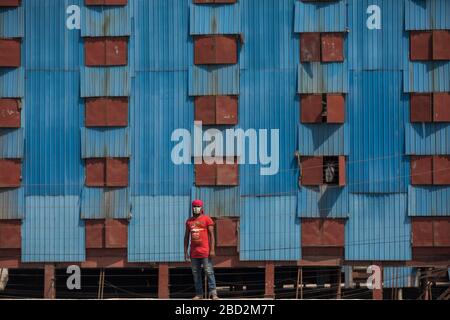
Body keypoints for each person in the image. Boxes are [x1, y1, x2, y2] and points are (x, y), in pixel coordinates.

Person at [184, 199, 219, 300]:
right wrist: (185, 252)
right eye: (194, 206)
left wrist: (212, 250)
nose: (196, 208)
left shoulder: (207, 219)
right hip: (194, 253)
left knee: (209, 272)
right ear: (192, 208)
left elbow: (212, 235)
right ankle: (199, 294)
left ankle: (214, 294)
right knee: (196, 274)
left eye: (198, 206)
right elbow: (186, 237)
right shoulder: (189, 221)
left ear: (201, 207)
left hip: (205, 252)